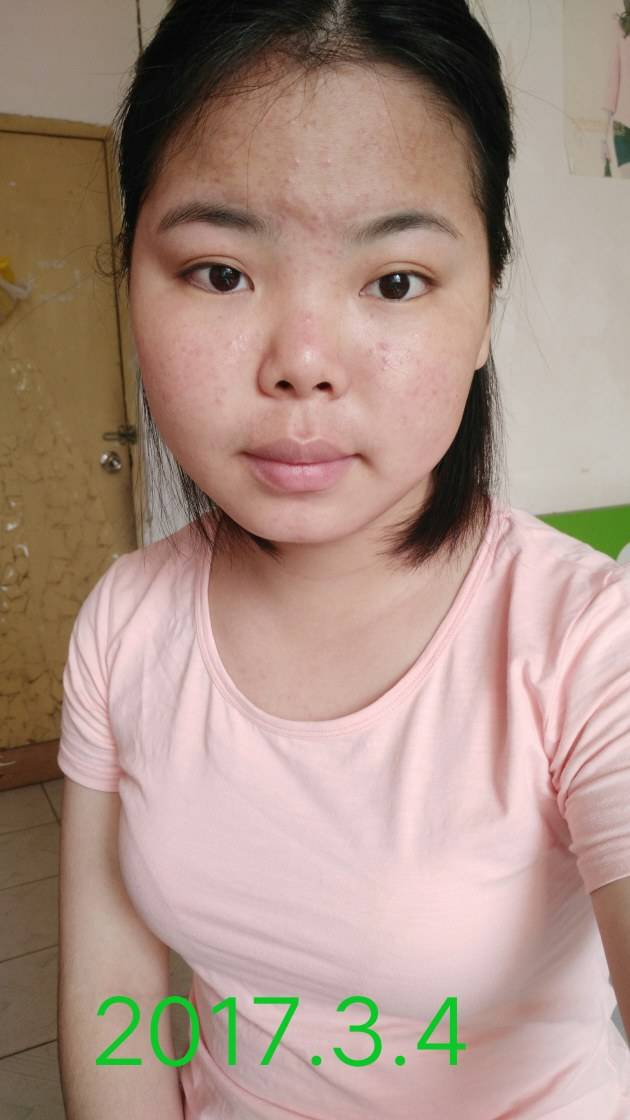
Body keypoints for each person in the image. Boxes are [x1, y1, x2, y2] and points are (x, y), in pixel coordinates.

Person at [56, 2, 630, 1118]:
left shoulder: (588, 644)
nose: (304, 363)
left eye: (395, 281)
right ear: (131, 280)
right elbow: (117, 986)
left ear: (485, 306)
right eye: (220, 273)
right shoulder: (125, 622)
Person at [601, 1, 630, 179]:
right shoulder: (621, 35)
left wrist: (603, 139)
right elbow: (612, 86)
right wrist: (603, 139)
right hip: (623, 127)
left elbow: (612, 88)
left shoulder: (622, 36)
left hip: (622, 125)